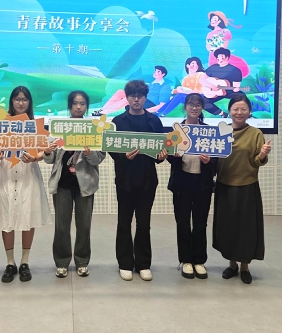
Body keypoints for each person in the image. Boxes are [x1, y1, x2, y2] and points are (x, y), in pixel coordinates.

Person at [0, 86, 52, 283]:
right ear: (12, 101)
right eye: (17, 99)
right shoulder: (1, 125)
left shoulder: (36, 126)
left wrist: (36, 157)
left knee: (28, 216)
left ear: (29, 102)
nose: (20, 102)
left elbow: (44, 151)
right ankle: (10, 263)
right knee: (6, 217)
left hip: (28, 174)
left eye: (24, 99)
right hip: (7, 174)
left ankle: (25, 262)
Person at [109, 80, 168, 282]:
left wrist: (162, 156)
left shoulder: (154, 121)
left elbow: (160, 152)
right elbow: (111, 149)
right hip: (124, 180)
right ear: (127, 97)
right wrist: (123, 156)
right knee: (124, 222)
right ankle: (125, 263)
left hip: (148, 181)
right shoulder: (118, 121)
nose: (136, 99)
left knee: (144, 223)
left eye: (140, 96)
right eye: (133, 95)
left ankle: (143, 264)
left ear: (145, 97)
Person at [43, 91, 106, 278]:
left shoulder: (94, 129)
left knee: (84, 225)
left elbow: (99, 158)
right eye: (75, 103)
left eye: (82, 103)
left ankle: (82, 261)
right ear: (69, 105)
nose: (78, 107)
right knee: (61, 226)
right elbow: (50, 159)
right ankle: (62, 262)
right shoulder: (58, 128)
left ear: (87, 106)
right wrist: (47, 151)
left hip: (85, 183)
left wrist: (89, 154)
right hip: (63, 183)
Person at [212, 96, 271, 284]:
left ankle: (245, 266)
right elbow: (214, 158)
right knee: (228, 227)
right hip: (224, 185)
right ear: (229, 111)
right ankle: (232, 265)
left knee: (246, 228)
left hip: (247, 186)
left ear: (249, 111)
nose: (239, 112)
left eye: (243, 109)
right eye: (235, 109)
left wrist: (262, 155)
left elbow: (257, 161)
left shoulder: (255, 134)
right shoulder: (221, 131)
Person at [166, 93, 217, 279]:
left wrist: (209, 161)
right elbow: (169, 158)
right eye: (191, 104)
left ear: (202, 108)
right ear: (185, 107)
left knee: (200, 223)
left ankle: (199, 261)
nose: (194, 108)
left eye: (197, 105)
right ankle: (186, 260)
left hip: (202, 183)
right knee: (183, 222)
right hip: (182, 182)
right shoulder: (176, 130)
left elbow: (217, 160)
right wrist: (174, 157)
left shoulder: (209, 132)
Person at [92, 66, 172, 115]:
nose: (155, 73)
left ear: (163, 74)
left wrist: (145, 111)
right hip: (143, 99)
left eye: (158, 71)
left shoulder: (165, 86)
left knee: (129, 98)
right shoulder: (151, 84)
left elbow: (162, 105)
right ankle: (103, 109)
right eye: (155, 71)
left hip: (150, 103)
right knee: (121, 92)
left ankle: (104, 113)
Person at [200, 47, 246, 118]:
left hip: (229, 91)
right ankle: (222, 114)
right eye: (218, 58)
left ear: (227, 57)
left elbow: (236, 87)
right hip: (215, 92)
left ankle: (247, 115)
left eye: (222, 57)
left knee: (242, 96)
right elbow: (202, 79)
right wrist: (212, 86)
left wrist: (236, 89)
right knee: (202, 101)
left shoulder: (235, 70)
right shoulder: (213, 68)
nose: (220, 60)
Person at [205, 11, 249, 77]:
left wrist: (218, 52)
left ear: (220, 21)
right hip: (212, 56)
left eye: (215, 19)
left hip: (222, 54)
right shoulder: (209, 34)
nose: (212, 21)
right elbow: (208, 45)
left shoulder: (225, 31)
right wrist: (210, 48)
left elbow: (225, 46)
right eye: (211, 19)